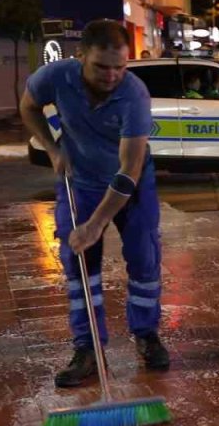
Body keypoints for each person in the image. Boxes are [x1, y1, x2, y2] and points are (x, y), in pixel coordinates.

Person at [19, 19, 169, 387]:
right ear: (80, 55)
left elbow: (128, 171)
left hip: (130, 186)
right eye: (102, 66)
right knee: (80, 266)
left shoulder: (134, 95)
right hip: (80, 183)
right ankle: (87, 349)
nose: (112, 75)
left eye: (120, 67)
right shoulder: (54, 77)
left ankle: (146, 334)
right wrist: (53, 149)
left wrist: (97, 223)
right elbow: (29, 106)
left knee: (144, 258)